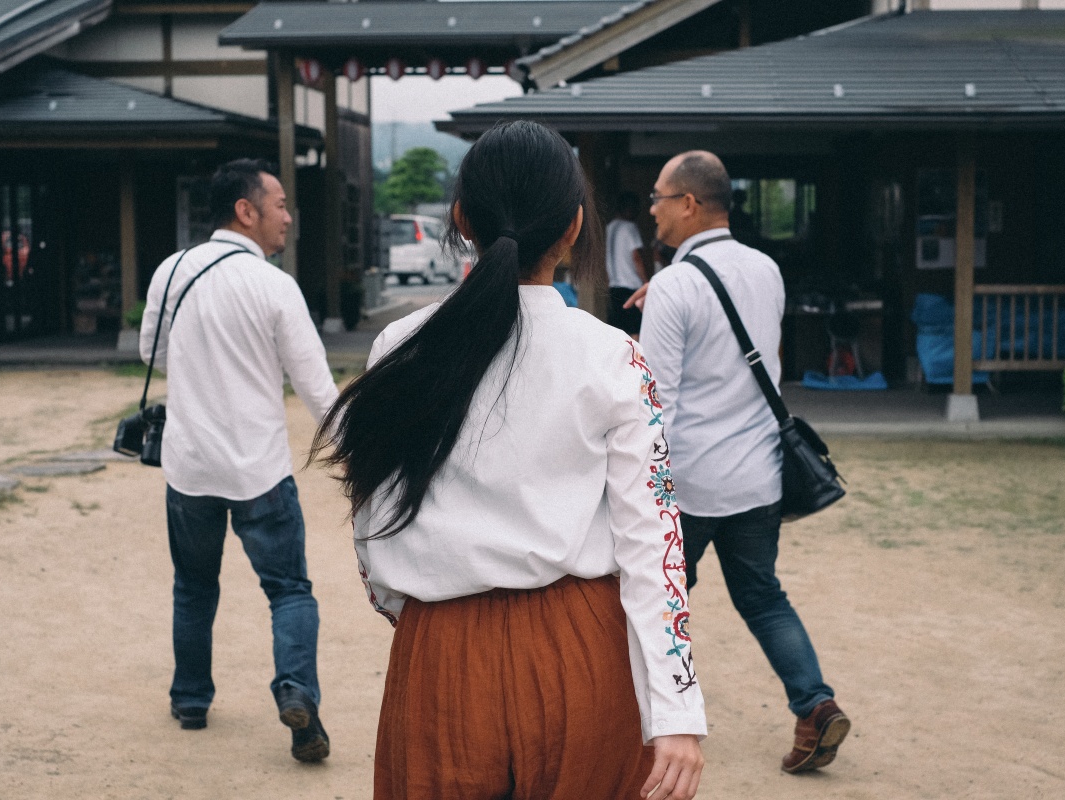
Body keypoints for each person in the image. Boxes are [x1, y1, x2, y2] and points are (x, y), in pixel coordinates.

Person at [315, 121, 706, 800]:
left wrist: (412, 617)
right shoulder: (613, 355)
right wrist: (675, 709)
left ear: (460, 218)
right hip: (582, 650)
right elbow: (654, 541)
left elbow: (370, 520)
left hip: (440, 655)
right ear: (576, 226)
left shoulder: (399, 349)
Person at [628, 151, 851, 774]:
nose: (652, 209)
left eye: (659, 198)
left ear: (689, 204)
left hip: (691, 481)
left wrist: (641, 481)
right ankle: (815, 704)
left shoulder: (676, 284)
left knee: (660, 600)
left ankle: (638, 723)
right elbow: (758, 351)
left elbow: (658, 400)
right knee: (762, 595)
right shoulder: (765, 269)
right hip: (758, 476)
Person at [140, 158, 339, 762]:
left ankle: (191, 698)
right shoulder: (275, 286)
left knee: (193, 585)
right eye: (279, 205)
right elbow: (317, 389)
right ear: (245, 211)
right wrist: (361, 450)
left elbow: (150, 350)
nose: (288, 218)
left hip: (190, 464)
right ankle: (297, 691)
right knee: (289, 591)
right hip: (259, 468)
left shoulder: (171, 272)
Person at [605, 191, 648, 335]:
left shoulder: (609, 228)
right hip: (631, 286)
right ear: (628, 207)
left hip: (614, 286)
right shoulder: (629, 227)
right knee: (635, 331)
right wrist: (645, 281)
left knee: (618, 331)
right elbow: (636, 256)